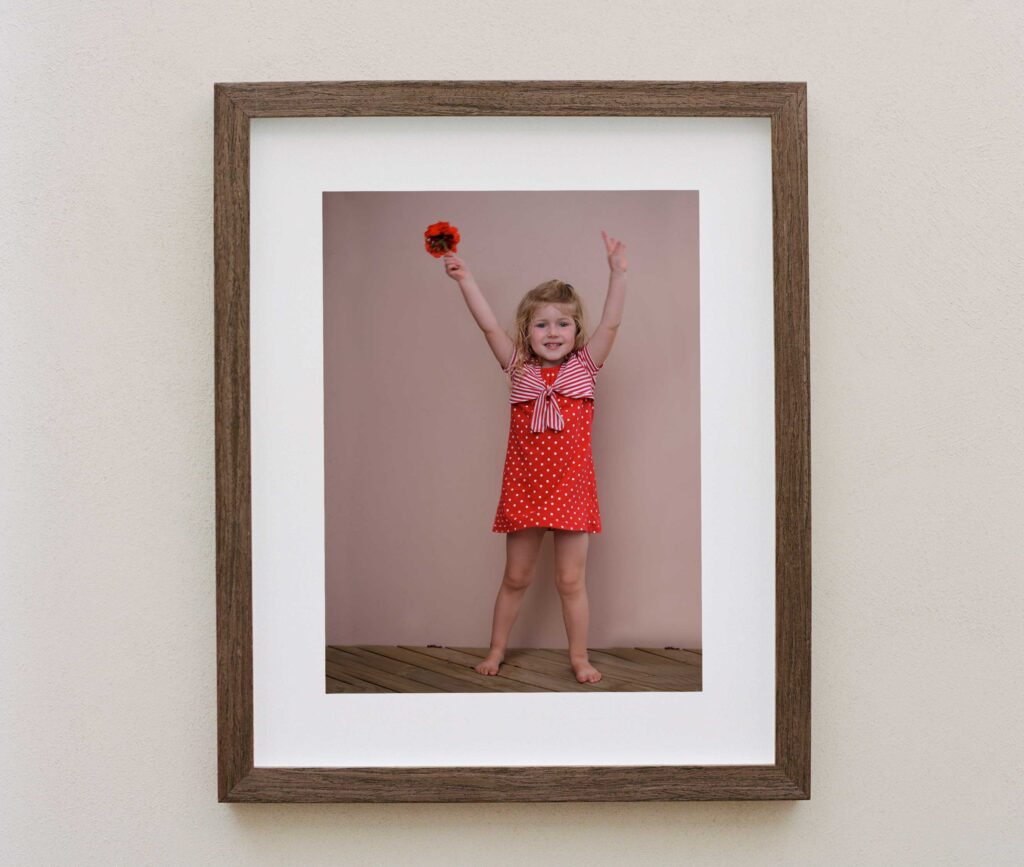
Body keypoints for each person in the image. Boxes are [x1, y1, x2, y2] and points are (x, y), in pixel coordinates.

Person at [441, 230, 628, 684]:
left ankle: (579, 658)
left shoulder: (585, 368)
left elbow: (611, 326)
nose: (552, 332)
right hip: (525, 490)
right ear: (526, 331)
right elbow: (488, 325)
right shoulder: (517, 367)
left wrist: (618, 274)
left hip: (572, 490)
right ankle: (497, 649)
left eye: (562, 324)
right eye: (541, 324)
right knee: (516, 578)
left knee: (570, 582)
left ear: (576, 331)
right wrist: (465, 279)